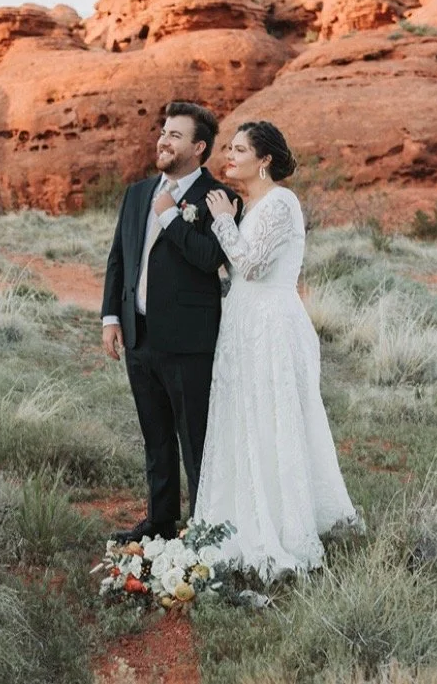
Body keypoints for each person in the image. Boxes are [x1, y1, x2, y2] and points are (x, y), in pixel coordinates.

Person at [194, 120, 365, 578]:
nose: (229, 157)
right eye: (228, 149)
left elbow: (250, 265)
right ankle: (240, 513)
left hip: (271, 326)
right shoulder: (251, 207)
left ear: (265, 159)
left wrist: (223, 223)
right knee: (244, 417)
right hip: (243, 325)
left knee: (275, 417)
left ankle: (285, 526)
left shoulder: (281, 202)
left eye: (240, 150)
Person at [101, 101, 241, 544]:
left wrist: (169, 214)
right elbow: (120, 256)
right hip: (139, 336)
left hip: (188, 343)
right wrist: (111, 316)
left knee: (196, 445)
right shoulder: (137, 193)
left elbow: (208, 260)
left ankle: (202, 531)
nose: (164, 140)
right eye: (163, 132)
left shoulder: (220, 199)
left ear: (198, 147)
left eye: (175, 135)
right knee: (156, 438)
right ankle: (160, 522)